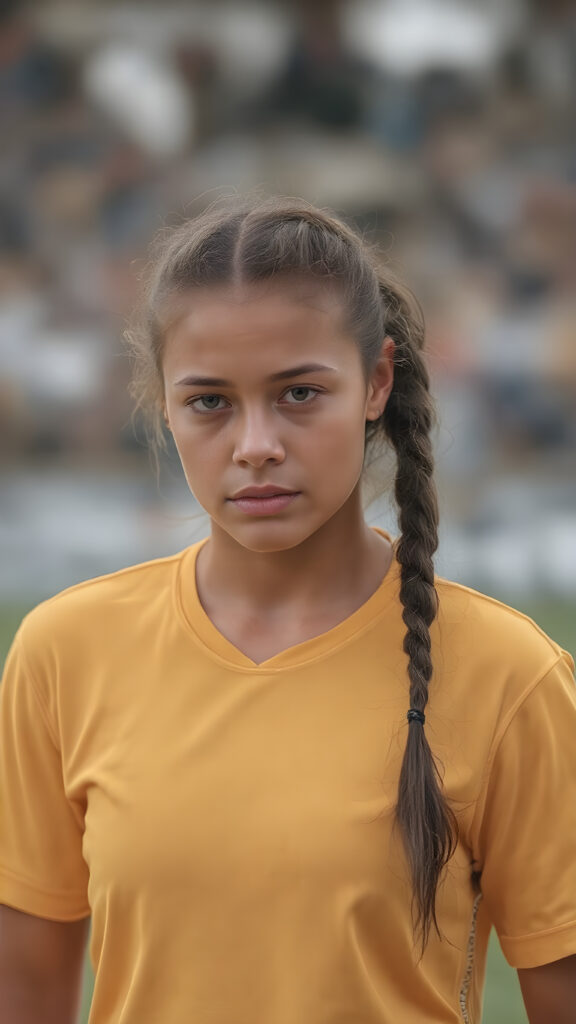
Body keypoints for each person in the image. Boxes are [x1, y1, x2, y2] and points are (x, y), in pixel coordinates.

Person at [0, 197, 575, 1024]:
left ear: (377, 382)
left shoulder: (509, 676)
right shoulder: (64, 653)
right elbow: (24, 992)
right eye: (209, 402)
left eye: (299, 393)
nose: (255, 445)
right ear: (163, 405)